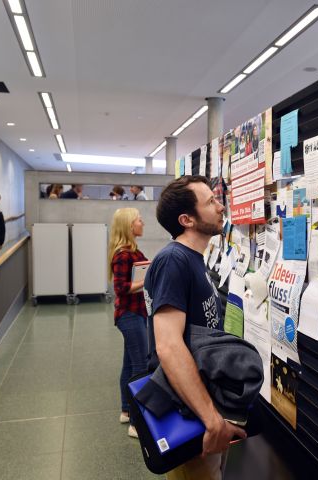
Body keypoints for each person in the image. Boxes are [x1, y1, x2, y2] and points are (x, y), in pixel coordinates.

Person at [145, 176, 246, 480]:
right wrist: (211, 419)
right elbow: (168, 345)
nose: (220, 206)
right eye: (211, 202)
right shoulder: (173, 260)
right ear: (187, 220)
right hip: (190, 412)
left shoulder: (193, 259)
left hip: (206, 403)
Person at [108, 208, 148, 439]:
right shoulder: (123, 254)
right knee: (141, 367)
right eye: (139, 220)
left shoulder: (132, 251)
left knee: (129, 365)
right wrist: (146, 281)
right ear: (129, 226)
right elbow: (121, 289)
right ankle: (136, 422)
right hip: (129, 315)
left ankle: (125, 410)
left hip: (136, 313)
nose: (142, 222)